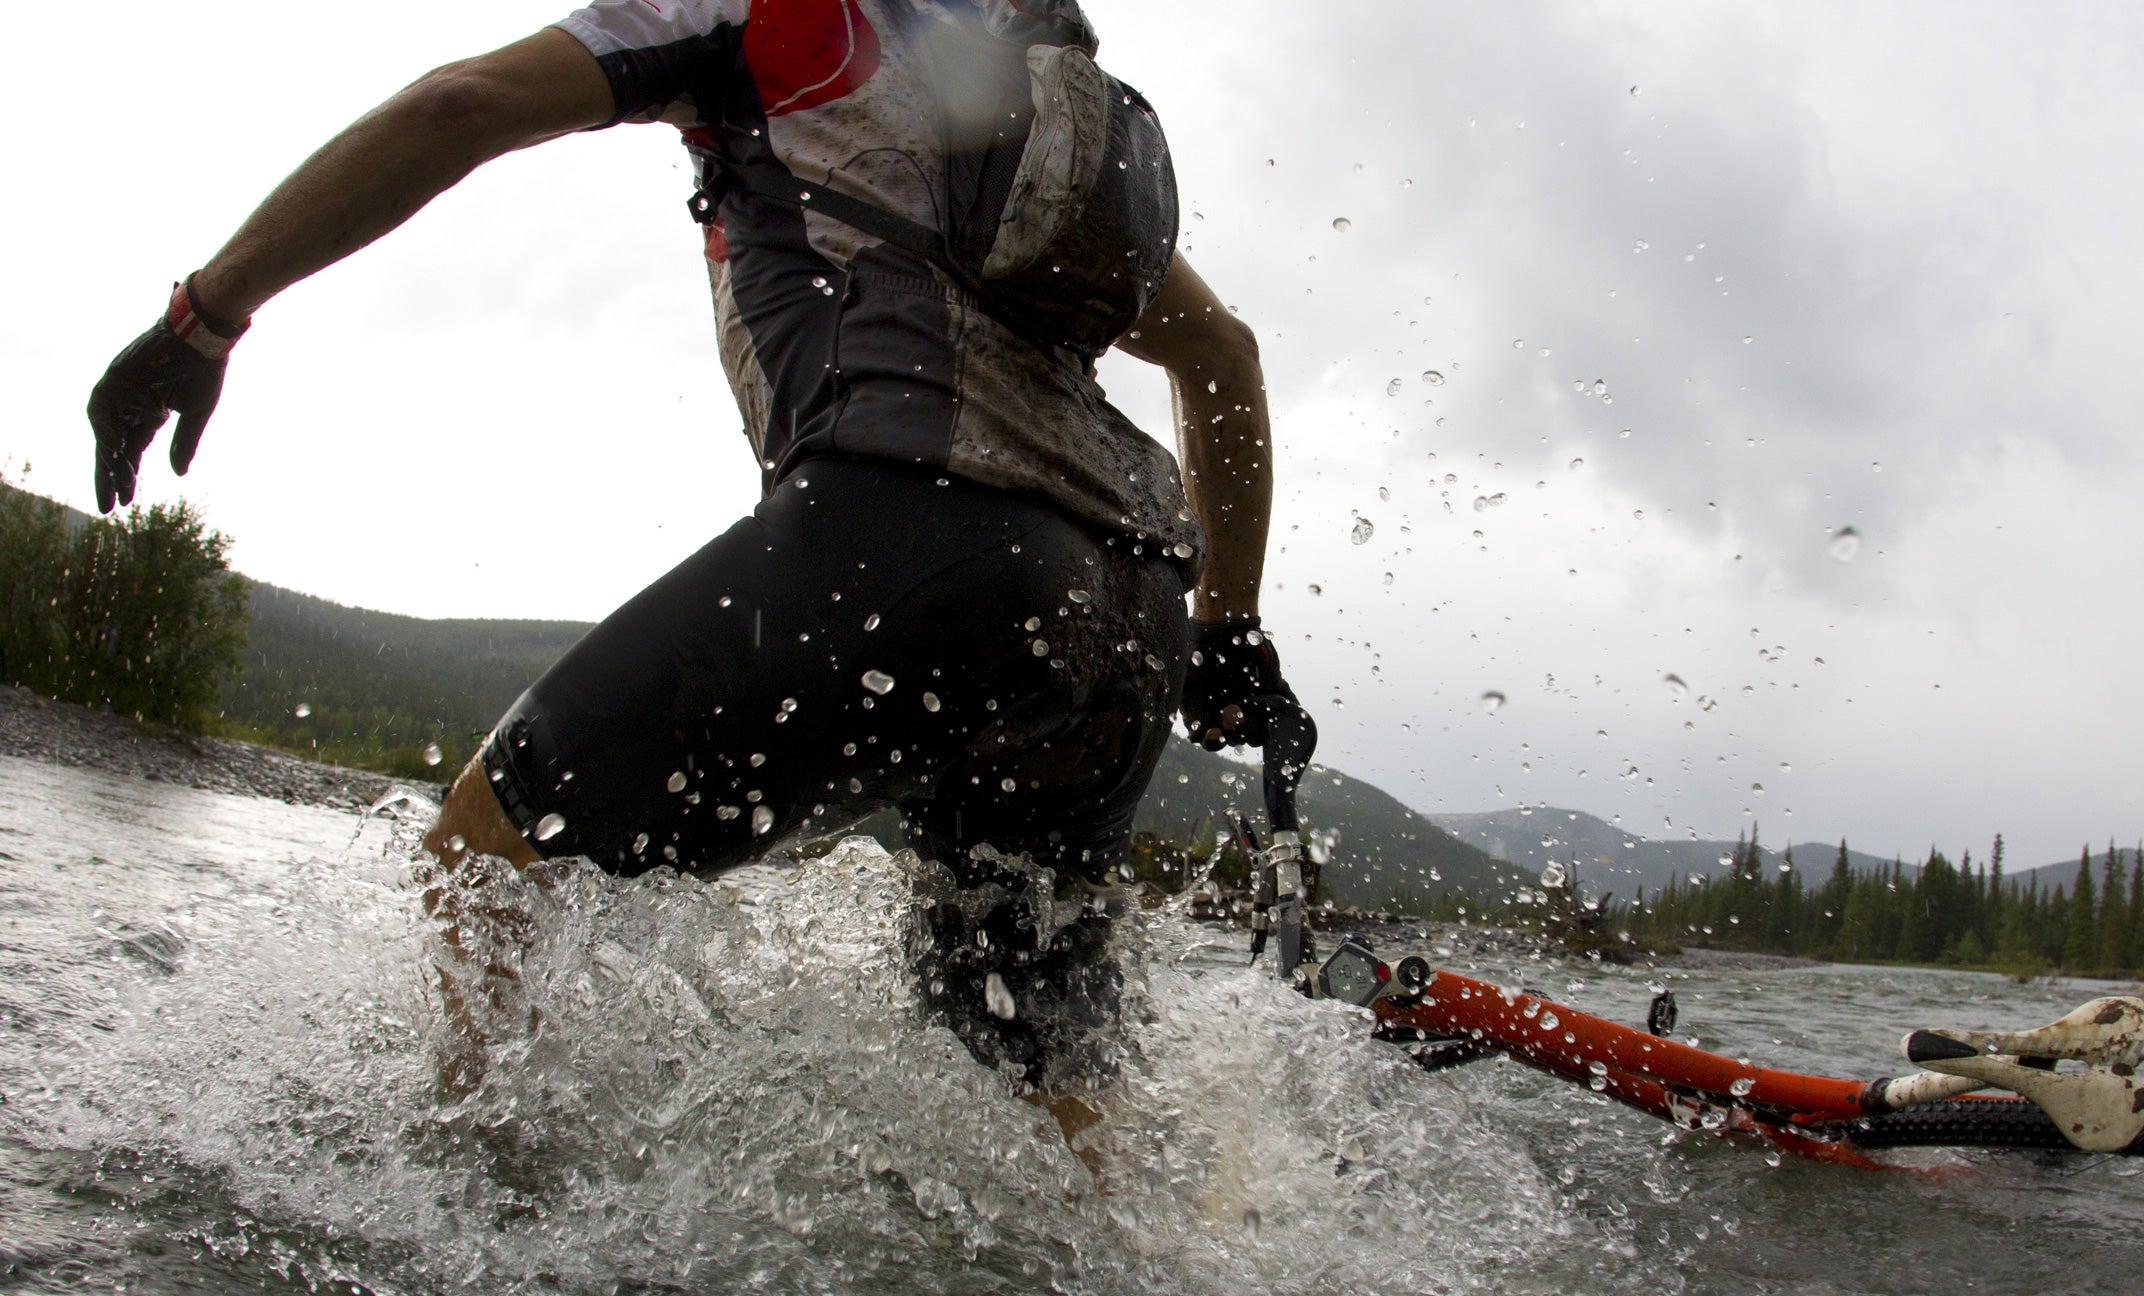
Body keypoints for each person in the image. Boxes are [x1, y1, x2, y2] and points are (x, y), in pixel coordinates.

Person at [85, 0, 1309, 1106]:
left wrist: (207, 315)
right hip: (1131, 608)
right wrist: (1228, 628)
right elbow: (1226, 360)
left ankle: (485, 1213)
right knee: (1037, 1084)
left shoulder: (759, 17)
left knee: (486, 860)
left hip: (927, 537)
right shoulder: (1010, 100)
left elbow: (457, 105)